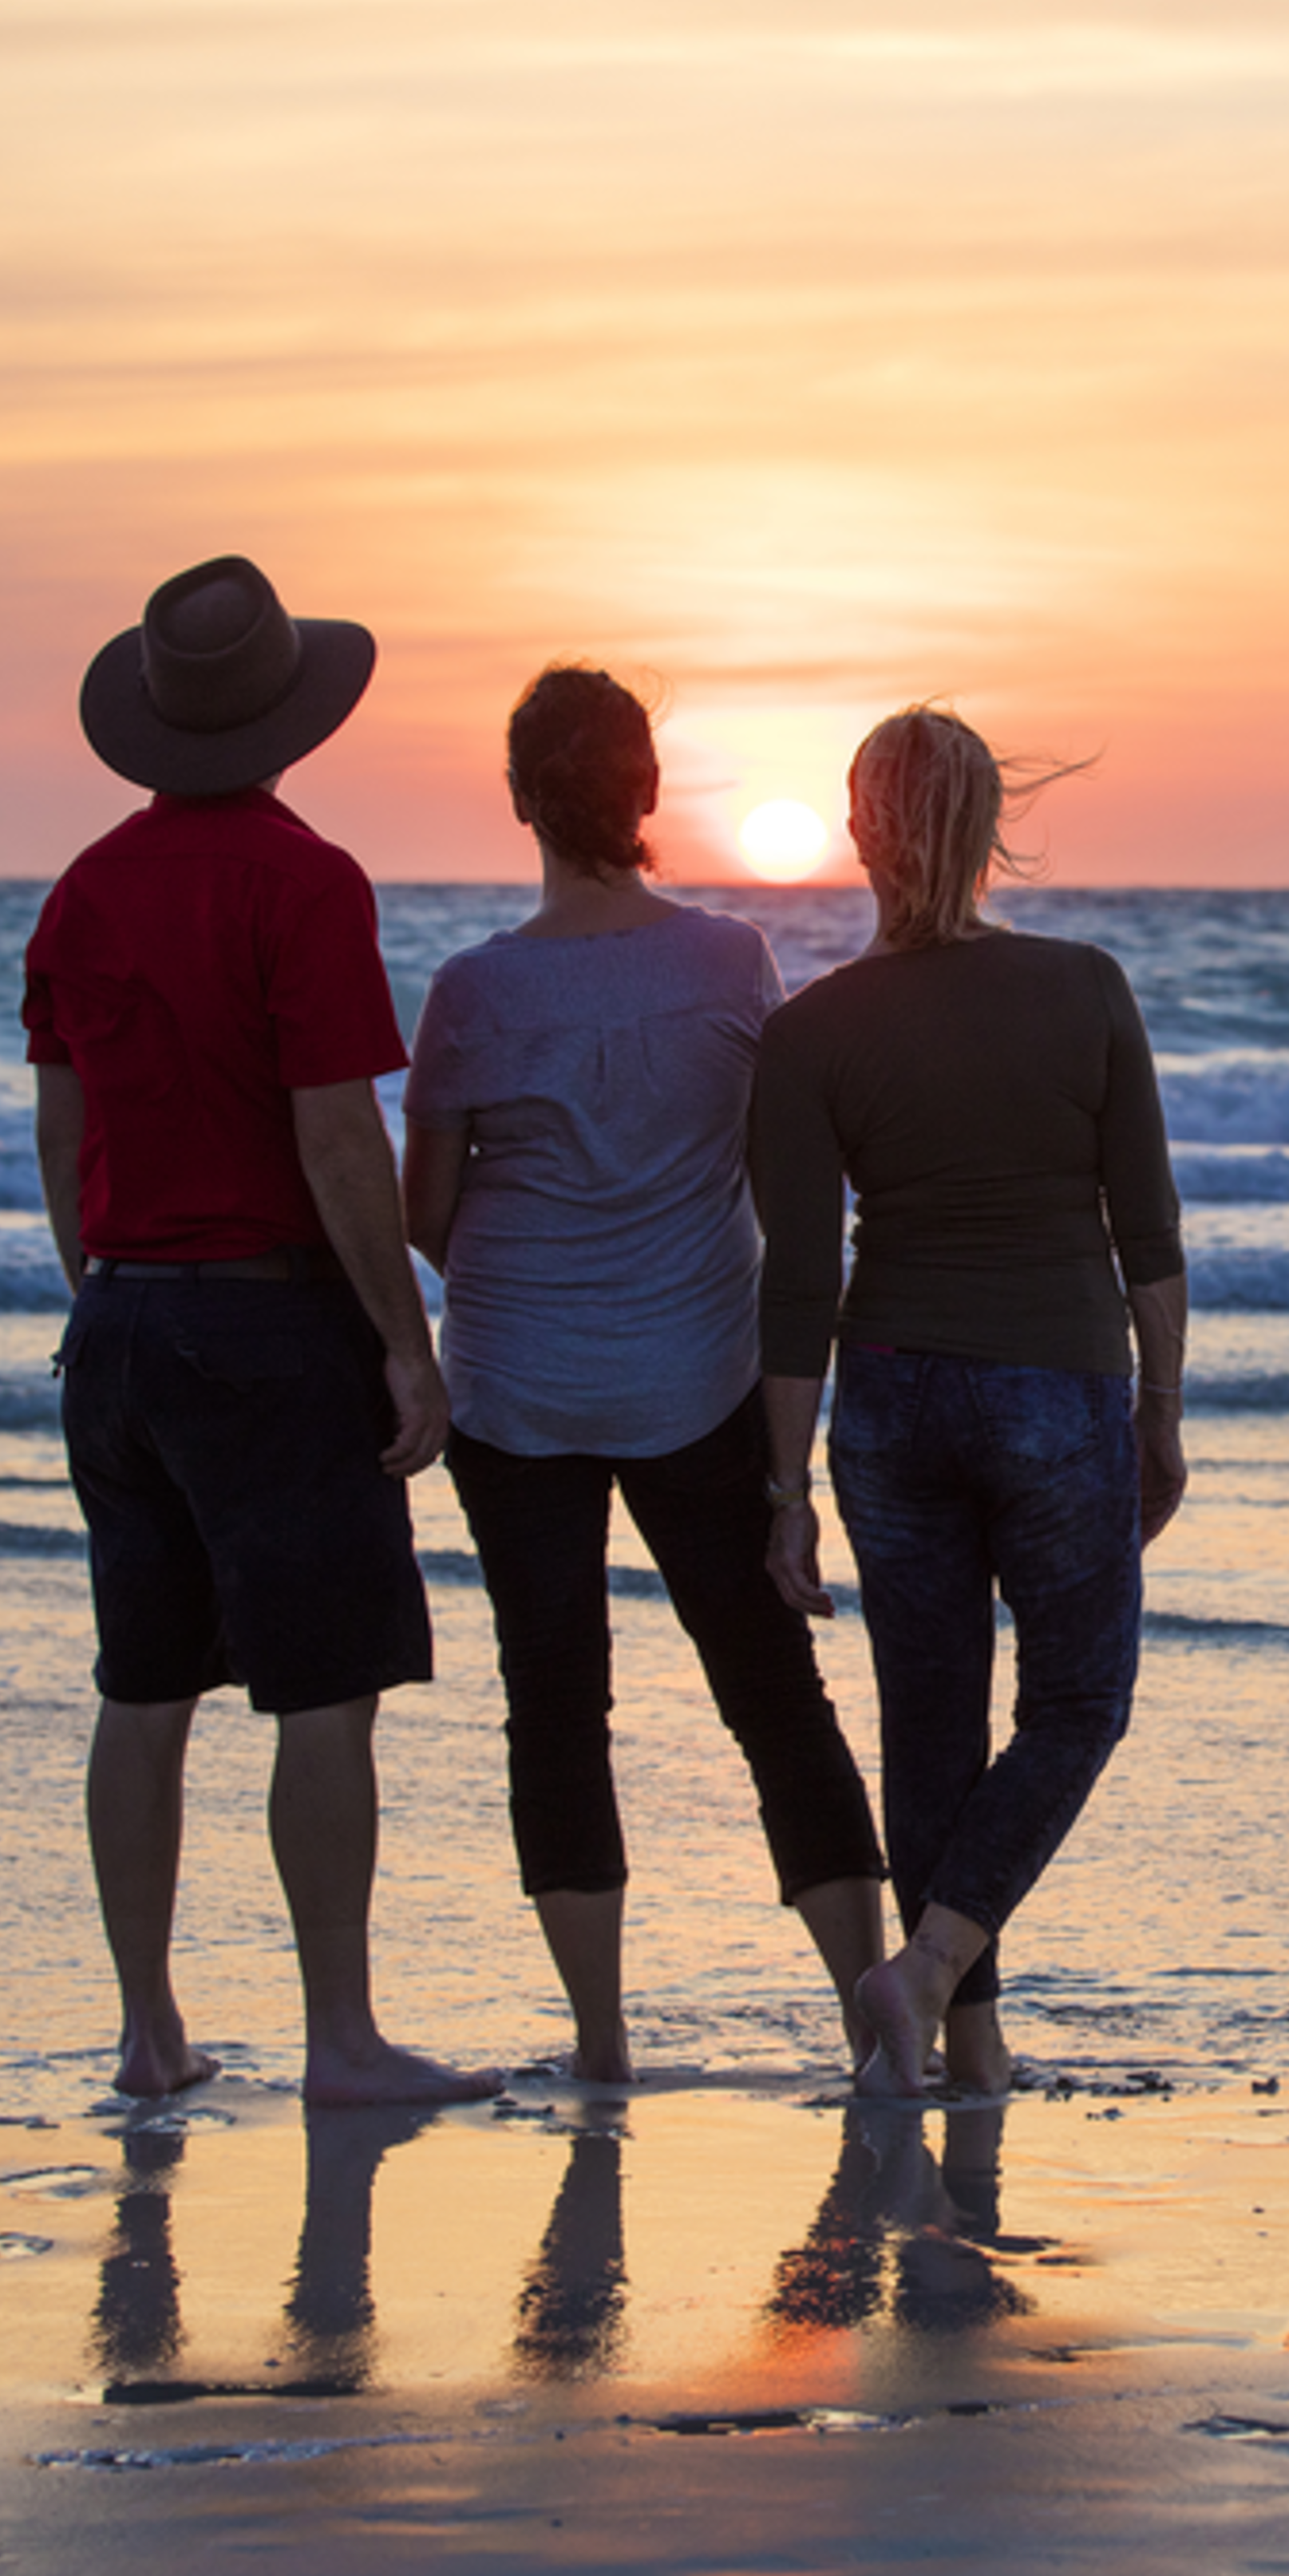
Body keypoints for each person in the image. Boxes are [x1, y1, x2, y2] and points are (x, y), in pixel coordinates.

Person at [25, 552, 496, 2109]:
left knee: (142, 1688)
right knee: (321, 1689)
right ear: (287, 717)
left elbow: (62, 1125)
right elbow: (336, 1140)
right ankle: (340, 2042)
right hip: (269, 1330)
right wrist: (404, 1338)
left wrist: (98, 1294)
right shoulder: (305, 882)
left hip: (125, 1328)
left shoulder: (86, 890)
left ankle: (150, 2033)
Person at [401, 666, 887, 2083]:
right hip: (698, 1373)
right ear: (648, 798)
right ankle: (875, 2012)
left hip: (516, 1386)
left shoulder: (473, 989)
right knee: (770, 1689)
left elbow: (425, 1209)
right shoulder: (733, 963)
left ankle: (603, 2043)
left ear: (516, 801)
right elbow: (778, 1173)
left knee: (554, 1699)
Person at [756, 706, 1188, 2098]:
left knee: (927, 1722)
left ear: (859, 831)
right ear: (993, 827)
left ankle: (972, 2046)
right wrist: (1160, 1418)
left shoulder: (812, 1029)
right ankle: (934, 1976)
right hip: (1058, 1388)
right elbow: (1151, 1234)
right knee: (1078, 1702)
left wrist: (786, 1490)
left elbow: (801, 1283)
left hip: (889, 1397)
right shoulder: (1086, 985)